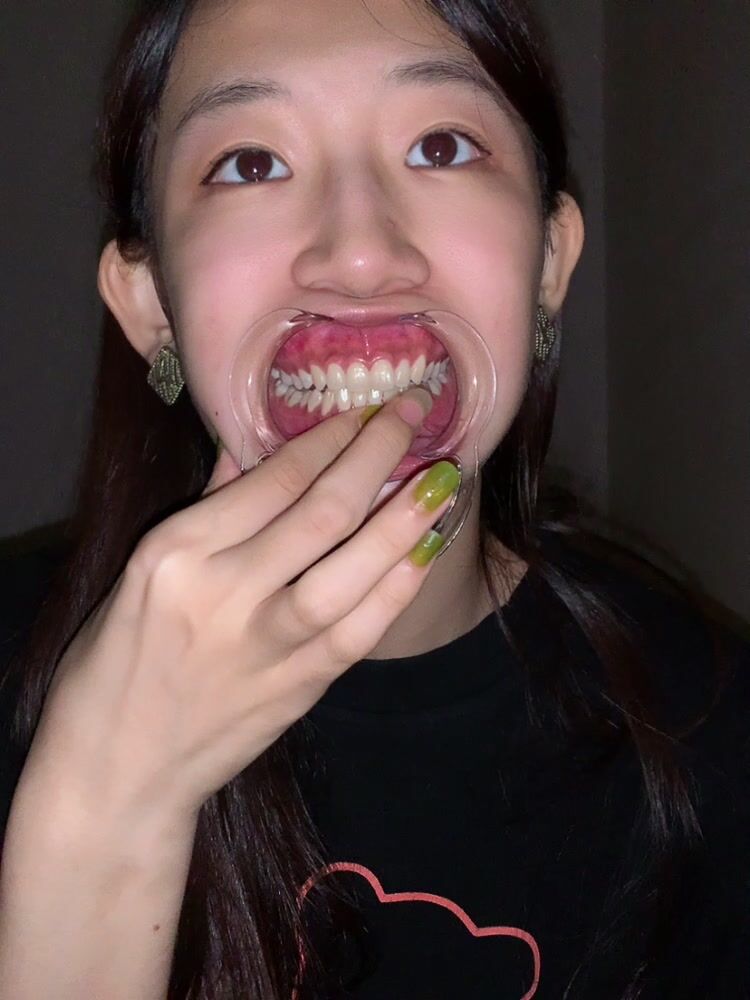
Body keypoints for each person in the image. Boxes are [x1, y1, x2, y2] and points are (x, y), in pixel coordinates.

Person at [0, 0, 748, 997]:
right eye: (251, 164)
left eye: (441, 147)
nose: (359, 254)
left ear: (548, 265)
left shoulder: (717, 740)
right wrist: (102, 814)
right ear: (150, 307)